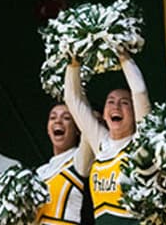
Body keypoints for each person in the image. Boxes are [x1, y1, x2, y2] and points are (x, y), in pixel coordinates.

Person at [61, 52, 150, 223]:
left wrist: (124, 57)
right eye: (110, 101)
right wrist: (73, 61)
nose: (116, 106)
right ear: (104, 113)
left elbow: (139, 92)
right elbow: (73, 99)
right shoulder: (101, 143)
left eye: (124, 102)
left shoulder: (141, 141)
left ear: (135, 112)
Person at [30, 104, 87, 225]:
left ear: (77, 128)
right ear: (48, 129)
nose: (58, 121)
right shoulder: (40, 172)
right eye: (53, 118)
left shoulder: (80, 160)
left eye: (66, 118)